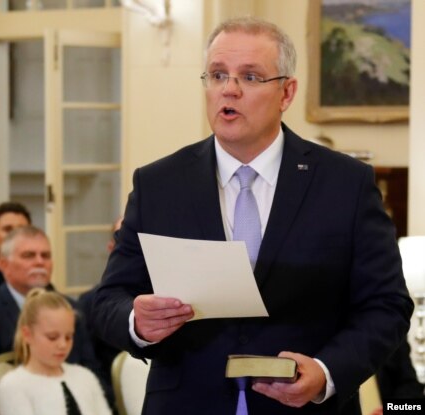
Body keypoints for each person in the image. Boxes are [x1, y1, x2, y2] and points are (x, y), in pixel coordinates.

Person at [92, 17, 413, 414]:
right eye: (217, 75)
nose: (229, 89)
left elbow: (386, 306)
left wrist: (326, 372)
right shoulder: (159, 183)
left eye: (250, 76)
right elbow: (109, 300)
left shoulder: (345, 184)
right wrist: (136, 323)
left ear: (286, 92)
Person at [0, 225, 99, 378]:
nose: (39, 262)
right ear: (4, 265)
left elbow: (92, 370)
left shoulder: (71, 308)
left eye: (45, 256)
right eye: (29, 255)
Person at [0, 288, 111, 415]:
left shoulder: (84, 376)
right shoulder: (13, 386)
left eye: (68, 337)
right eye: (52, 337)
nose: (63, 345)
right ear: (27, 334)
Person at [78, 217, 123, 407]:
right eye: (125, 241)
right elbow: (90, 366)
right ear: (111, 248)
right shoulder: (90, 303)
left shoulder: (179, 297)